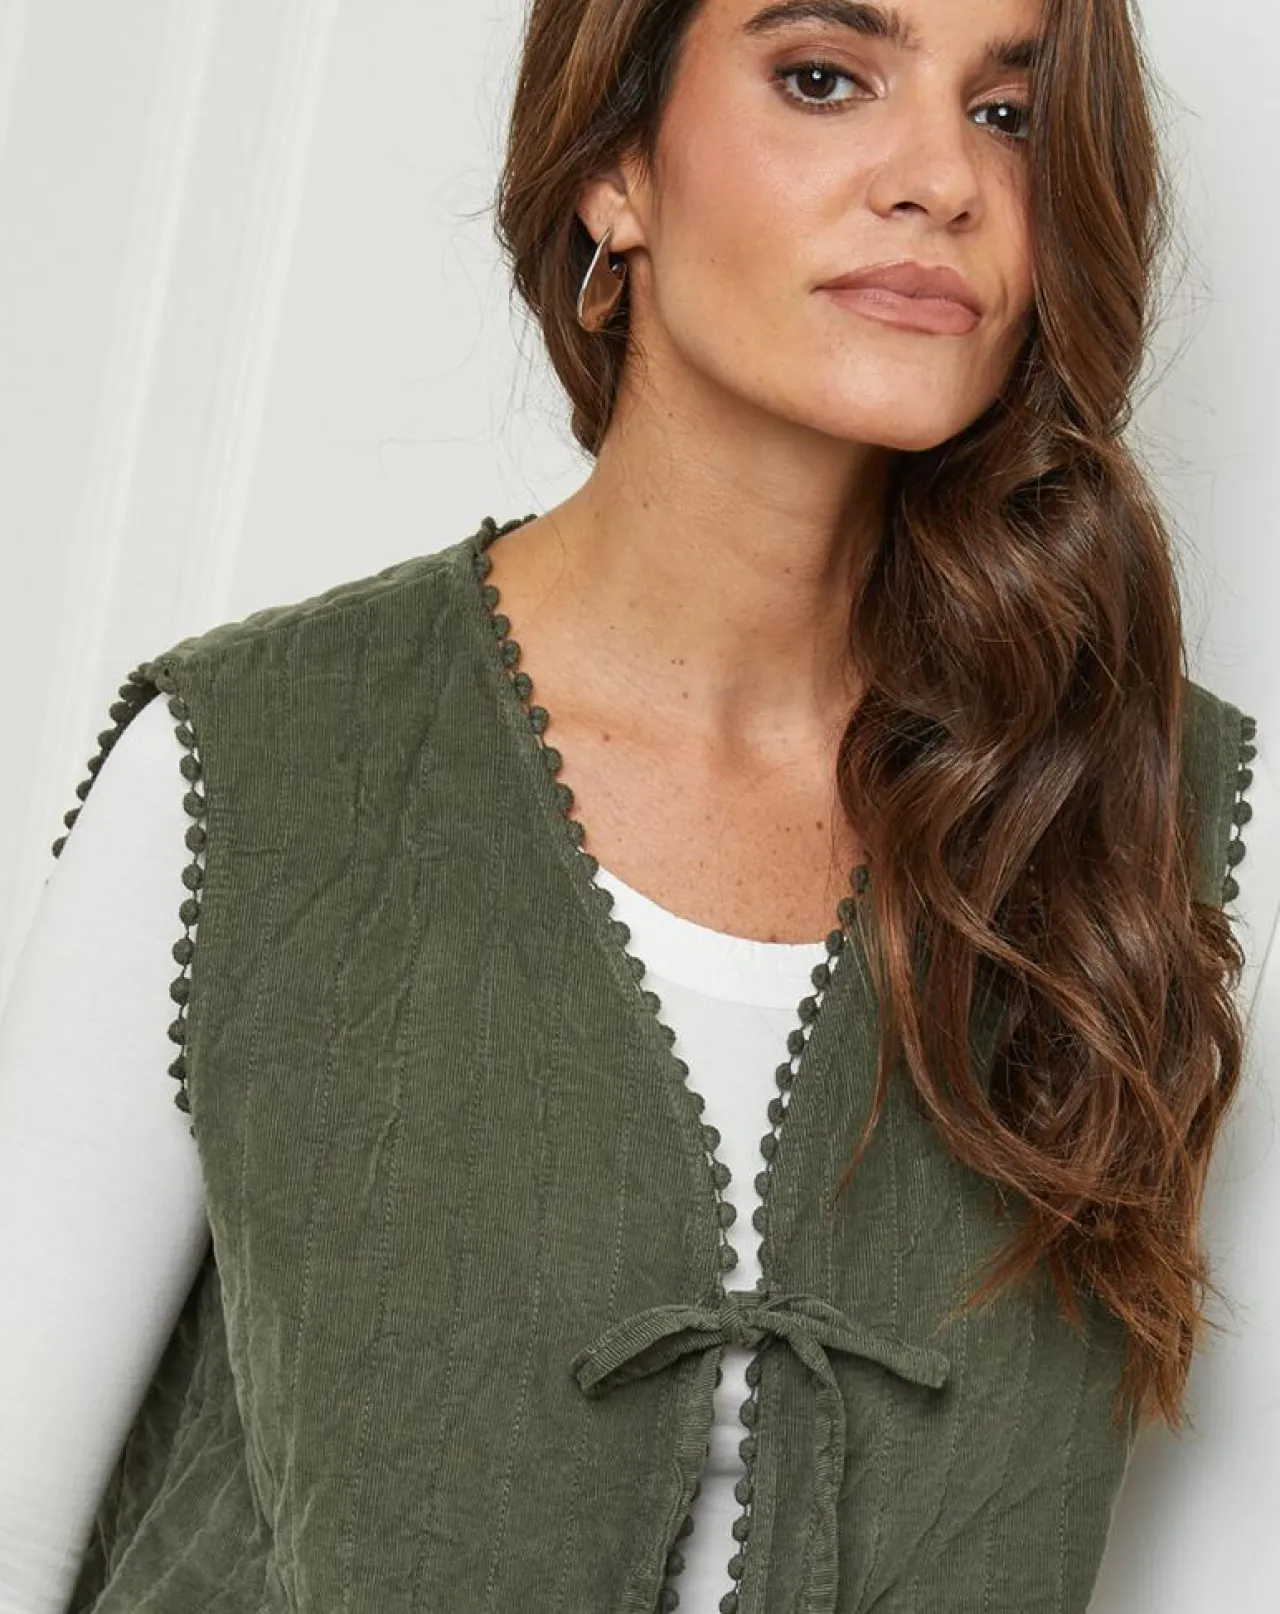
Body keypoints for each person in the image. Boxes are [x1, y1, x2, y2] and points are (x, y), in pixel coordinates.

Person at [0, 1, 1268, 1611]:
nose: (943, 179)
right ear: (616, 166)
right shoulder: (242, 771)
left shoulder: (1180, 832)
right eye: (826, 79)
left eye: (1009, 116)